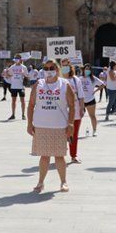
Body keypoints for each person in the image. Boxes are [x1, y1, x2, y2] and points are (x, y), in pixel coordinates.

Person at [27, 59, 76, 193]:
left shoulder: (64, 84)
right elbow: (31, 105)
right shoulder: (39, 84)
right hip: (41, 125)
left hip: (59, 126)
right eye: (46, 68)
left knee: (59, 156)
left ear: (57, 69)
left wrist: (71, 124)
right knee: (44, 156)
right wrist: (29, 123)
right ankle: (40, 182)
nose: (49, 71)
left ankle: (63, 182)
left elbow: (72, 106)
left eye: (52, 68)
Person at [61, 59, 84, 163]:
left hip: (75, 110)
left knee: (74, 134)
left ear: (70, 67)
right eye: (63, 65)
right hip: (61, 111)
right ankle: (60, 153)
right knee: (61, 133)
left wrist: (82, 108)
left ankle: (73, 155)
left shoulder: (76, 80)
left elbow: (81, 96)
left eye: (66, 65)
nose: (65, 67)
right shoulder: (58, 80)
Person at [78, 64, 104, 137]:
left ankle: (94, 131)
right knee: (79, 117)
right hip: (81, 100)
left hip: (90, 100)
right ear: (83, 70)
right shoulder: (79, 78)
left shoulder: (93, 78)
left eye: (89, 69)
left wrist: (96, 91)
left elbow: (103, 84)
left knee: (92, 116)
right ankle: (77, 132)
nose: (87, 70)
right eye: (86, 69)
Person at [6, 55, 27, 120]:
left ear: (21, 59)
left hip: (21, 86)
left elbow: (27, 76)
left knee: (22, 101)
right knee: (13, 101)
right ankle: (13, 114)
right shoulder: (12, 67)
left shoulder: (23, 67)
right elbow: (8, 76)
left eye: (18, 58)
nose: (17, 59)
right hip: (14, 86)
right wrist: (6, 73)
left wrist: (23, 74)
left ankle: (23, 114)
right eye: (16, 58)